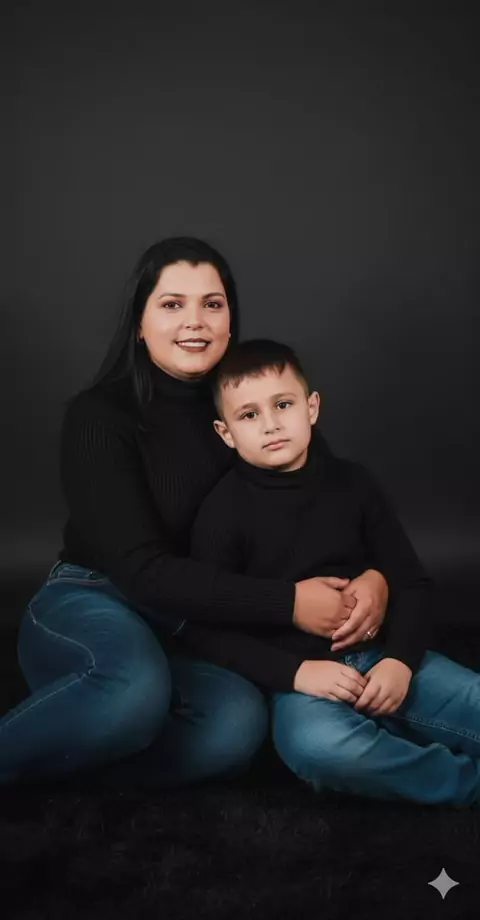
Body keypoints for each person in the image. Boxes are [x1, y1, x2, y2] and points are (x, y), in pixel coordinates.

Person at [0, 238, 388, 787]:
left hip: (195, 625)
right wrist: (289, 603)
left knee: (236, 727)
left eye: (212, 304)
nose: (195, 321)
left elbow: (333, 507)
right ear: (139, 324)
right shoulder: (99, 417)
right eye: (172, 304)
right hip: (97, 596)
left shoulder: (256, 404)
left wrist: (374, 577)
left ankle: (78, 748)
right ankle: (93, 713)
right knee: (134, 689)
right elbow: (141, 571)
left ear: (230, 320)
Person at [177, 338, 480, 807]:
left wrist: (400, 661)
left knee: (473, 700)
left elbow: (412, 583)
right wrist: (297, 673)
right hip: (301, 685)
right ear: (225, 433)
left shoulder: (353, 484)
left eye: (283, 405)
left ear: (312, 407)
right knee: (318, 747)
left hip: (380, 655)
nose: (271, 424)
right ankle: (465, 784)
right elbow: (207, 632)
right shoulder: (222, 513)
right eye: (249, 415)